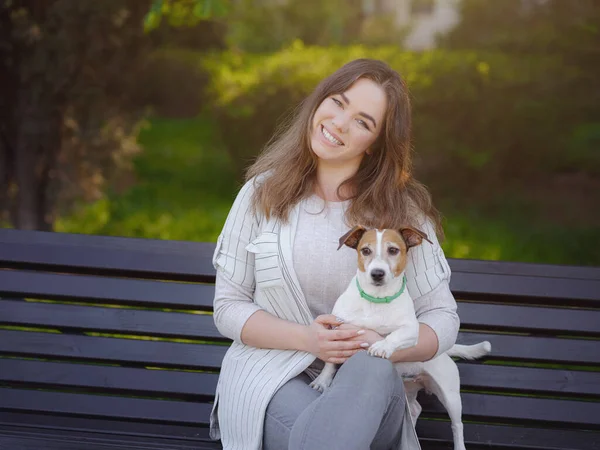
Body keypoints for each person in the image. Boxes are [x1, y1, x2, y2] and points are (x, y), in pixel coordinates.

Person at [210, 59, 459, 450]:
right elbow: (228, 306)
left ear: (376, 142)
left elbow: (442, 317)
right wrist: (308, 340)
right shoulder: (261, 194)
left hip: (373, 388)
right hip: (271, 377)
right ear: (319, 101)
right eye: (338, 102)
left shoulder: (402, 213)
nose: (340, 123)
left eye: (363, 121)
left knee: (370, 367)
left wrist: (380, 343)